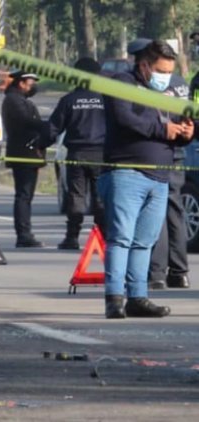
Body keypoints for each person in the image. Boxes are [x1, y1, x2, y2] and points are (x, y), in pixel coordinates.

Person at [99, 40, 194, 319]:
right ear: (143, 65)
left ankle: (137, 297)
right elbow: (126, 119)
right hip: (127, 173)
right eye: (160, 70)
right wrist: (163, 129)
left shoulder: (173, 88)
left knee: (144, 241)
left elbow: (183, 119)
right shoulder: (121, 83)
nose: (165, 77)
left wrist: (189, 130)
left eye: (169, 71)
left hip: (161, 175)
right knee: (121, 238)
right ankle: (114, 298)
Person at [40, 57, 105, 250]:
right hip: (102, 155)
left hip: (77, 154)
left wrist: (39, 144)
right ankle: (102, 238)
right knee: (101, 197)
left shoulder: (69, 100)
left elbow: (53, 129)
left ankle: (72, 237)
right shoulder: (106, 99)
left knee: (76, 196)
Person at [2, 71, 48, 248]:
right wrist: (47, 125)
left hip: (28, 152)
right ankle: (24, 234)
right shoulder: (14, 101)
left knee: (26, 196)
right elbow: (26, 121)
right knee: (23, 195)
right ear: (21, 83)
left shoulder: (20, 100)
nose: (33, 86)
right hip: (23, 152)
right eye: (30, 82)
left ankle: (25, 233)